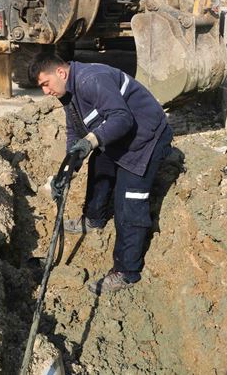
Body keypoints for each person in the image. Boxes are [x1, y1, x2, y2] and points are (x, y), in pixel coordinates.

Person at [29, 53, 173, 295]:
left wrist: (93, 140)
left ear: (61, 73)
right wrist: (67, 170)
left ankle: (126, 272)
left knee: (129, 203)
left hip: (146, 139)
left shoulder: (90, 80)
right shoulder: (69, 91)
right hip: (119, 137)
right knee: (99, 168)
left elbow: (122, 118)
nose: (45, 91)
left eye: (45, 83)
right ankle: (93, 219)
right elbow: (75, 132)